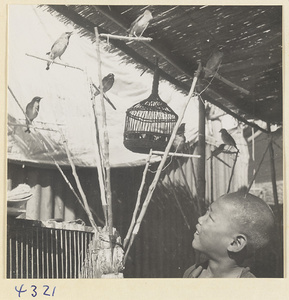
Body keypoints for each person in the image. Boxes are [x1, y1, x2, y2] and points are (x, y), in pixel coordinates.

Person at [183, 191, 275, 278]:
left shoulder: (250, 289)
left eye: (210, 217)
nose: (200, 219)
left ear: (235, 243)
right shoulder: (192, 272)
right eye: (207, 212)